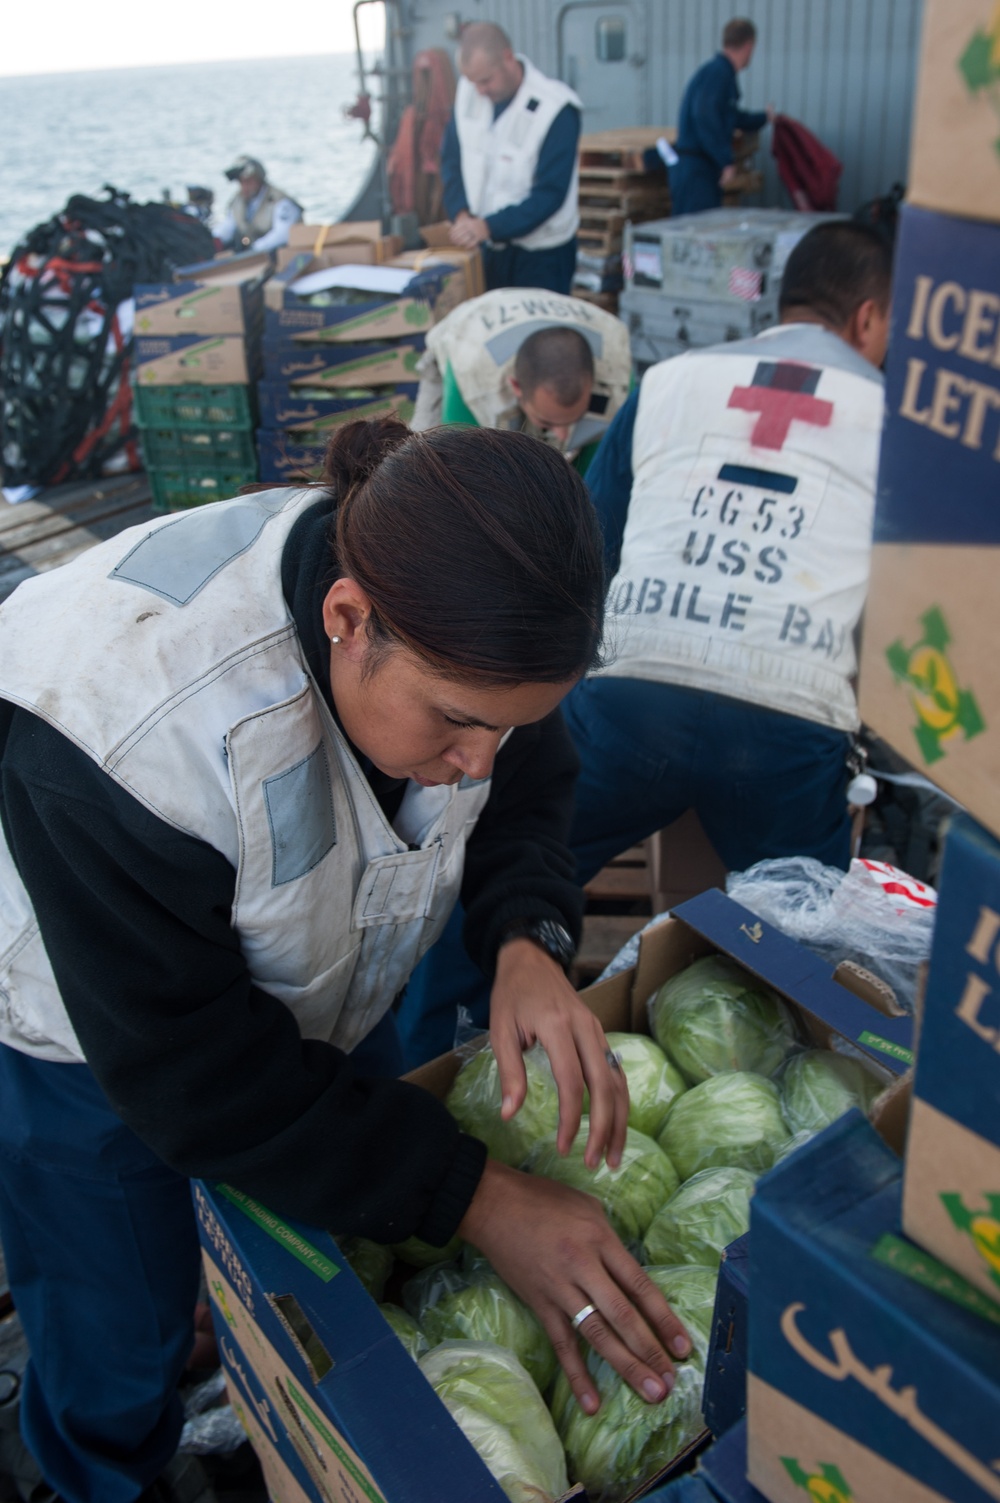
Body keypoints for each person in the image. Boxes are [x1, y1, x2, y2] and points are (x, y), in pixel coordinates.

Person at [0, 421, 693, 1503]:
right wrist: (484, 1199)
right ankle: (100, 1476)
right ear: (345, 621)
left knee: (324, 1218)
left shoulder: (465, 636)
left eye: (502, 729)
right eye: (458, 725)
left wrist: (527, 938)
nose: (477, 764)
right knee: (114, 1323)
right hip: (86, 1041)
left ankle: (225, 1327)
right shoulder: (125, 732)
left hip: (323, 968)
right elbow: (202, 1083)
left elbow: (525, 776)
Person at [564, 220, 892, 884]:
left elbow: (591, 539)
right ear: (867, 318)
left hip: (632, 697)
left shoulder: (669, 381)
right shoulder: (897, 421)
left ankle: (458, 986)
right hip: (786, 724)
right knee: (802, 945)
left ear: (782, 304)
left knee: (512, 870)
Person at [410, 285, 631, 476]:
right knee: (422, 465)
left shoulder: (615, 375)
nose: (563, 435)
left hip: (567, 321)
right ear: (516, 387)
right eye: (548, 422)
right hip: (463, 343)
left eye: (574, 419)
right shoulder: (476, 380)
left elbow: (598, 466)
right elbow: (463, 472)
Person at [441, 22, 582, 293]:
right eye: (473, 82)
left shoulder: (557, 109)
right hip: (488, 248)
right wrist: (461, 213)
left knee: (539, 334)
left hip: (542, 256)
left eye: (486, 80)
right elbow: (451, 160)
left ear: (508, 58)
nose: (479, 91)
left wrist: (489, 226)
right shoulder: (467, 91)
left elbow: (550, 194)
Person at [669, 18, 774, 217]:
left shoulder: (719, 73)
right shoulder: (718, 74)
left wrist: (764, 118)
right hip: (696, 172)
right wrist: (725, 160)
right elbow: (705, 116)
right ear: (749, 46)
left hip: (701, 170)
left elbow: (731, 117)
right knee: (695, 234)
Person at [214, 154, 302, 253]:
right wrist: (213, 241)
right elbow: (227, 227)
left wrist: (255, 248)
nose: (244, 187)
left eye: (248, 181)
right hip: (254, 258)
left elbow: (283, 234)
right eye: (241, 182)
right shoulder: (237, 202)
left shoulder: (280, 201)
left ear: (258, 178)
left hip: (282, 256)